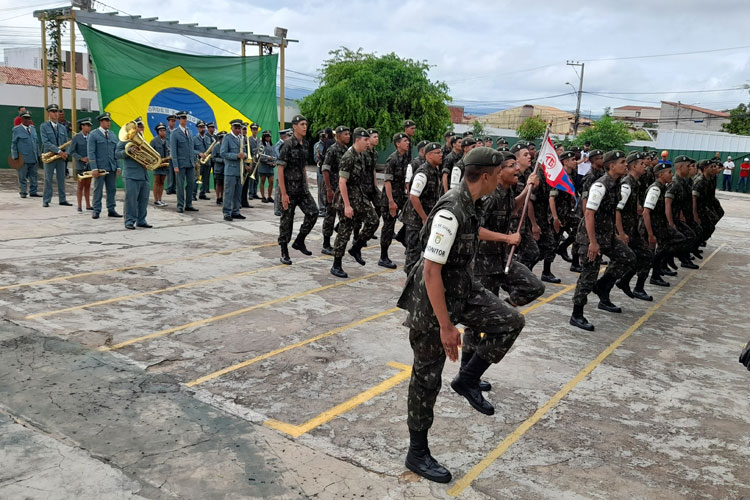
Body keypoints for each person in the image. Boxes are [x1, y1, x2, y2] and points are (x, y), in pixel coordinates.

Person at [396, 147, 527, 484]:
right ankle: (417, 452)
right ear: (486, 175)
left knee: (511, 322)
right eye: (501, 171)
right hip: (432, 303)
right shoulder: (450, 211)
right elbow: (429, 272)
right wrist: (446, 326)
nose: (505, 176)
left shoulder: (475, 203)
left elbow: (475, 235)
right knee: (427, 378)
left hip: (463, 290)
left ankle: (467, 379)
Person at [570, 151, 635, 331]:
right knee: (588, 275)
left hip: (607, 235)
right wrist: (592, 242)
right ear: (611, 165)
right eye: (622, 162)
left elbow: (611, 213)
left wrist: (617, 232)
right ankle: (577, 314)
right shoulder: (600, 185)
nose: (625, 165)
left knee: (629, 257)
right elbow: (589, 214)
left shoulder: (616, 184)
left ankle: (603, 286)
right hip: (591, 237)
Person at [473, 149, 545, 309]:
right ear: (499, 172)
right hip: (483, 264)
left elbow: (511, 208)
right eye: (512, 166)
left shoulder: (506, 190)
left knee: (534, 287)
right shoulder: (490, 196)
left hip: (501, 257)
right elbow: (475, 230)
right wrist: (506, 238)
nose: (517, 169)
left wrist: (527, 189)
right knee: (483, 314)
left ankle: (506, 308)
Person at [330, 128, 379, 278]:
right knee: (345, 231)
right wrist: (347, 206)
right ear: (357, 140)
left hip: (359, 196)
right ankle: (336, 265)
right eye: (365, 140)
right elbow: (342, 182)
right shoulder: (348, 157)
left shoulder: (361, 155)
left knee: (374, 221)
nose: (368, 142)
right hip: (347, 199)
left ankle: (356, 248)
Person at [277, 114, 318, 265]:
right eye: (302, 124)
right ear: (294, 127)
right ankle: (284, 251)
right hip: (288, 190)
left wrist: (306, 184)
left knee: (313, 212)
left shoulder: (305, 144)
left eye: (306, 124)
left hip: (302, 189)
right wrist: (283, 194)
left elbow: (302, 167)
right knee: (287, 221)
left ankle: (300, 240)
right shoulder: (287, 145)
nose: (305, 127)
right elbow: (280, 169)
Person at [613, 151, 653, 301]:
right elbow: (617, 210)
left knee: (646, 255)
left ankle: (633, 285)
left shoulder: (635, 183)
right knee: (621, 262)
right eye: (642, 164)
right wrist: (621, 233)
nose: (645, 166)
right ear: (633, 166)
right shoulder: (627, 185)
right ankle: (606, 288)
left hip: (633, 228)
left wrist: (637, 205)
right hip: (625, 230)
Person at [640, 160, 686, 288]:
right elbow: (646, 213)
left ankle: (658, 270)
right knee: (648, 257)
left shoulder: (662, 187)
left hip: (659, 226)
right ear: (660, 175)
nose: (672, 175)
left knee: (676, 241)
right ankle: (644, 283)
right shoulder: (655, 189)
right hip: (650, 227)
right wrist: (650, 235)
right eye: (669, 172)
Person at [401, 142, 442, 275]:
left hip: (426, 219)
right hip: (416, 220)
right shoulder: (423, 173)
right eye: (438, 153)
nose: (441, 155)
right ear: (429, 155)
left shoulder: (434, 170)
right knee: (413, 254)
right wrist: (424, 217)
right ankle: (409, 283)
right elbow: (413, 197)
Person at [380, 132, 410, 268]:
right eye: (405, 141)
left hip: (401, 196)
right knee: (388, 227)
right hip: (390, 198)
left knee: (411, 217)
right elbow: (387, 182)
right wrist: (391, 202)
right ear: (398, 144)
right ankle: (383, 257)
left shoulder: (405, 158)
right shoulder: (392, 159)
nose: (408, 143)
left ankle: (402, 237)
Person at [321, 126, 350, 255]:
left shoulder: (346, 150)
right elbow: (325, 170)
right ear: (338, 136)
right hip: (332, 188)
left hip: (342, 189)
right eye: (345, 134)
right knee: (330, 216)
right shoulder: (332, 150)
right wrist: (328, 189)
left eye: (349, 134)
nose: (348, 136)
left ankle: (339, 234)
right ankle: (326, 244)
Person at [550, 151, 581, 274]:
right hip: (559, 214)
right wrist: (555, 218)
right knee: (553, 242)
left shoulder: (570, 175)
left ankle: (563, 248)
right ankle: (546, 271)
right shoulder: (559, 176)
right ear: (565, 162)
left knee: (580, 228)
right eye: (573, 159)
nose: (575, 161)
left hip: (568, 213)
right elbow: (551, 198)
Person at [117, 123, 151, 230]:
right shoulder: (126, 140)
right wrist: (129, 151)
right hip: (131, 174)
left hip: (143, 174)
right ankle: (129, 221)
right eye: (139, 127)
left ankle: (141, 220)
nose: (141, 129)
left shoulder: (143, 141)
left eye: (142, 127)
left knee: (144, 199)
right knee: (131, 200)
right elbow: (117, 154)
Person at [87, 112, 120, 218]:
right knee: (98, 189)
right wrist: (94, 168)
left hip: (111, 167)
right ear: (101, 122)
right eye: (106, 121)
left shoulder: (112, 134)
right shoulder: (93, 134)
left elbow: (116, 152)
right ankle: (96, 210)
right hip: (100, 167)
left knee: (112, 189)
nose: (108, 123)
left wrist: (118, 166)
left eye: (109, 121)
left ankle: (111, 209)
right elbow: (91, 152)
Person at [40, 104, 72, 207]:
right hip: (50, 156)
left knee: (61, 178)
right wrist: (59, 151)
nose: (55, 114)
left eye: (56, 111)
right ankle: (46, 200)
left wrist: (66, 152)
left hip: (61, 156)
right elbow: (46, 142)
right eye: (53, 112)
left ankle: (62, 199)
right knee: (48, 178)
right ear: (49, 113)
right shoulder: (43, 126)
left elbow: (66, 141)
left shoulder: (62, 127)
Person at [170, 111, 198, 213]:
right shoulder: (175, 133)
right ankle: (180, 205)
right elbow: (173, 151)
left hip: (190, 163)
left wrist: (194, 160)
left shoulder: (189, 131)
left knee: (191, 183)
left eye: (185, 118)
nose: (184, 120)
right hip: (181, 164)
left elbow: (191, 148)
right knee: (180, 185)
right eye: (182, 118)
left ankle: (189, 204)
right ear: (178, 119)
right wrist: (175, 165)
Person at [220, 119, 247, 221]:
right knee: (228, 192)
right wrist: (236, 155)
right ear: (231, 127)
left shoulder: (241, 138)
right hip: (230, 170)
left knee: (237, 193)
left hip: (239, 170)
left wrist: (243, 155)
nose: (237, 130)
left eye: (239, 128)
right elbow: (223, 153)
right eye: (235, 128)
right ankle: (227, 212)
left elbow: (244, 152)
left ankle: (236, 211)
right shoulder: (227, 138)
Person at [10, 110, 40, 199]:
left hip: (33, 157)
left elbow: (36, 143)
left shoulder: (33, 129)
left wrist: (38, 155)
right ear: (21, 119)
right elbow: (14, 143)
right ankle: (23, 192)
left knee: (34, 176)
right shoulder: (17, 130)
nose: (27, 120)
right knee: (22, 176)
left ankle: (33, 191)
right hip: (22, 158)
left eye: (29, 118)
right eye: (25, 118)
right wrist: (15, 156)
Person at [70, 117, 93, 212]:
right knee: (80, 186)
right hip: (80, 165)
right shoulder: (76, 137)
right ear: (82, 126)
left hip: (89, 165)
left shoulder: (91, 136)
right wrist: (80, 158)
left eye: (89, 125)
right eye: (87, 125)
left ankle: (88, 205)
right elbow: (72, 151)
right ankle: (79, 205)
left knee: (88, 185)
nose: (89, 127)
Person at [150, 123, 170, 207]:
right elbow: (150, 152)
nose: (163, 132)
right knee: (157, 181)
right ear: (158, 132)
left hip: (165, 165)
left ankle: (160, 199)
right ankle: (156, 199)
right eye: (161, 131)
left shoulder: (167, 141)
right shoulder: (154, 141)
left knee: (162, 182)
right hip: (157, 164)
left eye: (164, 130)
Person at [274, 128, 292, 217]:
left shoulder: (286, 145)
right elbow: (279, 156)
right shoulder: (279, 145)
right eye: (289, 135)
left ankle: (283, 207)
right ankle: (277, 208)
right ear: (285, 136)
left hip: (286, 171)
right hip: (281, 170)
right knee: (278, 191)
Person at [256, 130, 277, 203]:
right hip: (263, 166)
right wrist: (268, 159)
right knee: (262, 181)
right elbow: (259, 156)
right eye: (267, 137)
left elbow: (274, 155)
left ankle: (269, 196)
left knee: (271, 182)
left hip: (270, 167)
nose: (268, 138)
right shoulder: (260, 145)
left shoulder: (272, 145)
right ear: (264, 137)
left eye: (269, 137)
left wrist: (274, 162)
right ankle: (263, 196)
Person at [243, 123, 261, 202]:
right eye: (253, 129)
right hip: (251, 161)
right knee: (251, 178)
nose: (255, 131)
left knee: (256, 178)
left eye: (256, 129)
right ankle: (250, 193)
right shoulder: (248, 139)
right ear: (251, 130)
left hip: (257, 161)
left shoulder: (259, 140)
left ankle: (254, 192)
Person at [198, 121, 215, 199]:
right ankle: (193, 193)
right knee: (196, 178)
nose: (202, 129)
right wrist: (199, 153)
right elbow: (192, 149)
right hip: (199, 162)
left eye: (203, 127)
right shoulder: (195, 138)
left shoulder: (208, 138)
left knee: (205, 178)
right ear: (198, 128)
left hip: (207, 161)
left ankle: (203, 193)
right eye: (200, 127)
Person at [314, 130, 327, 216]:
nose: (323, 138)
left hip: (328, 169)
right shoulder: (317, 145)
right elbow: (315, 159)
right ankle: (322, 208)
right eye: (322, 136)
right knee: (321, 190)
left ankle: (327, 207)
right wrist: (319, 157)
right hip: (320, 169)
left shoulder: (329, 144)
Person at [164, 114, 177, 195]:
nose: (173, 123)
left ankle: (174, 188)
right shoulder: (165, 131)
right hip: (168, 154)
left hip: (175, 155)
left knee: (175, 172)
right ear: (168, 122)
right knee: (169, 172)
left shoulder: (176, 131)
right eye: (172, 121)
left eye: (174, 121)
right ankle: (169, 188)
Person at [213, 132, 226, 205]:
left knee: (224, 184)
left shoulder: (227, 147)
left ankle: (222, 197)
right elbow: (213, 158)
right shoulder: (216, 147)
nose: (222, 140)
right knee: (218, 183)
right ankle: (218, 197)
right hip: (218, 168)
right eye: (221, 138)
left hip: (225, 169)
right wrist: (221, 160)